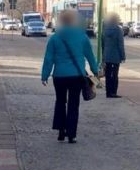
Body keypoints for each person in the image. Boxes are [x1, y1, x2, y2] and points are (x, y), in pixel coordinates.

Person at [41, 10, 98, 143]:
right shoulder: (82, 37)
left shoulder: (54, 38)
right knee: (73, 104)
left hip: (59, 75)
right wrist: (95, 71)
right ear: (74, 21)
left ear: (61, 21)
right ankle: (72, 134)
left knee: (60, 101)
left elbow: (49, 58)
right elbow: (90, 56)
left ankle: (61, 131)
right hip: (76, 76)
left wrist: (44, 75)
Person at [102, 13, 126, 98]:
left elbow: (103, 43)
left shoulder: (104, 29)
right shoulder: (118, 30)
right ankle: (114, 92)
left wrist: (103, 55)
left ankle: (108, 93)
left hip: (107, 55)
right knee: (115, 75)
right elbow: (120, 44)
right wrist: (123, 56)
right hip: (116, 56)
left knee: (108, 74)